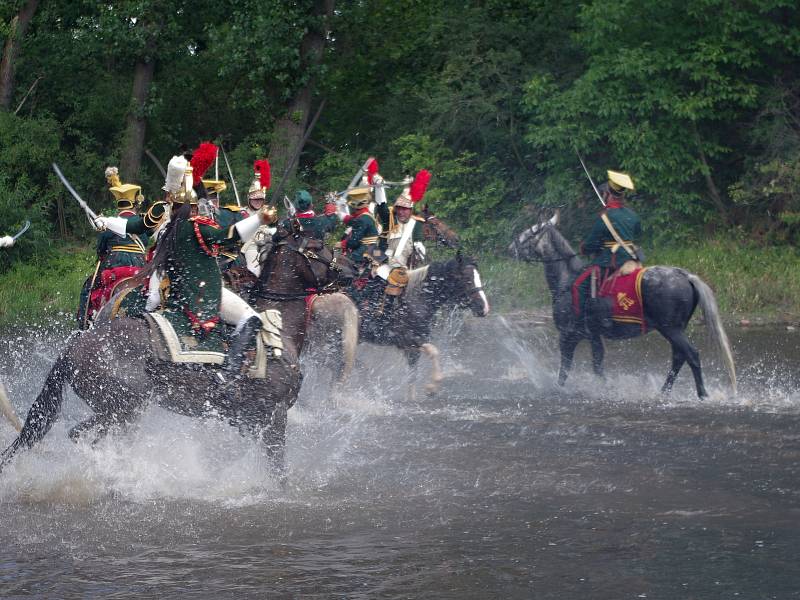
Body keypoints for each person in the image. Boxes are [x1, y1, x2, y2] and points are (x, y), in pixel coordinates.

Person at [96, 154, 277, 380]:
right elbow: (229, 236)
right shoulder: (196, 226)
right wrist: (260, 218)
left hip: (167, 280)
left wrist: (105, 222)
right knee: (252, 318)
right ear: (194, 206)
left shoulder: (166, 218)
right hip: (201, 290)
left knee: (152, 299)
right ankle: (228, 374)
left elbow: (133, 224)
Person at [574, 170, 641, 329]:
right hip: (632, 258)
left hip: (611, 261)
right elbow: (637, 233)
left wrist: (583, 249)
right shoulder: (632, 215)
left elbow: (591, 244)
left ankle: (581, 323)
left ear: (607, 194)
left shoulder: (605, 217)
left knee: (579, 285)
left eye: (604, 193)